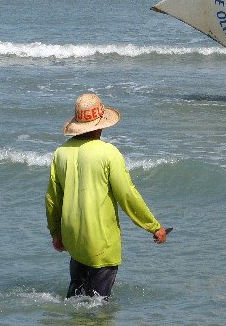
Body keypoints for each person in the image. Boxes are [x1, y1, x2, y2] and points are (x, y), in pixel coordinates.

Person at [45, 93, 168, 299]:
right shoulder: (109, 153)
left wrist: (56, 233)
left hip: (73, 239)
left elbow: (52, 198)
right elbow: (127, 194)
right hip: (101, 242)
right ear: (101, 124)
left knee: (74, 297)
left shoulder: (61, 153)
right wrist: (153, 226)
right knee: (98, 308)